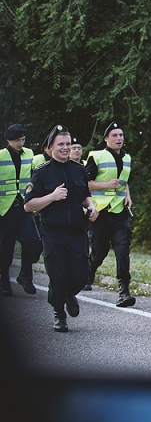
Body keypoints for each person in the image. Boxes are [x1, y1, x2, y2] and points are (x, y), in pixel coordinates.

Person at [23, 125, 98, 332]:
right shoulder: (41, 173)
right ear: (50, 147)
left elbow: (84, 196)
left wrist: (91, 207)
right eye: (61, 144)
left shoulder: (79, 170)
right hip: (52, 232)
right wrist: (52, 197)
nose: (66, 148)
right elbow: (28, 205)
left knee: (81, 275)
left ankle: (68, 294)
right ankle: (59, 313)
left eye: (68, 144)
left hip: (76, 231)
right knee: (57, 275)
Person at [84, 121, 135, 307]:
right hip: (100, 213)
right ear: (106, 139)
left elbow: (124, 181)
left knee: (122, 249)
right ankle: (89, 271)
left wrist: (127, 196)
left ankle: (124, 291)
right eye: (114, 135)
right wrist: (106, 185)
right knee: (100, 251)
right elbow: (85, 183)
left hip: (119, 212)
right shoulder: (96, 157)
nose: (119, 138)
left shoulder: (127, 158)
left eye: (121, 135)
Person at [0, 124, 43, 297]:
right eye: (17, 140)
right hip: (5, 208)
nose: (21, 143)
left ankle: (25, 275)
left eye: (23, 139)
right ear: (9, 140)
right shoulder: (1, 156)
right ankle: (4, 282)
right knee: (6, 247)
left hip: (24, 205)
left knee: (32, 241)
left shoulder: (30, 154)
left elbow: (34, 178)